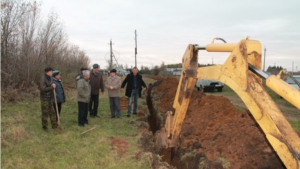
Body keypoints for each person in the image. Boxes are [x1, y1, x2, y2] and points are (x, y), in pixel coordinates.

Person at [39, 66, 58, 132]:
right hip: (44, 98)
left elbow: (50, 85)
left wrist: (52, 85)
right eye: (51, 71)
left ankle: (54, 125)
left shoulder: (50, 78)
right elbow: (43, 88)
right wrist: (52, 87)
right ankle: (45, 127)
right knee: (45, 113)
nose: (52, 72)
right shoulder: (43, 78)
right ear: (48, 72)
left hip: (50, 98)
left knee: (52, 112)